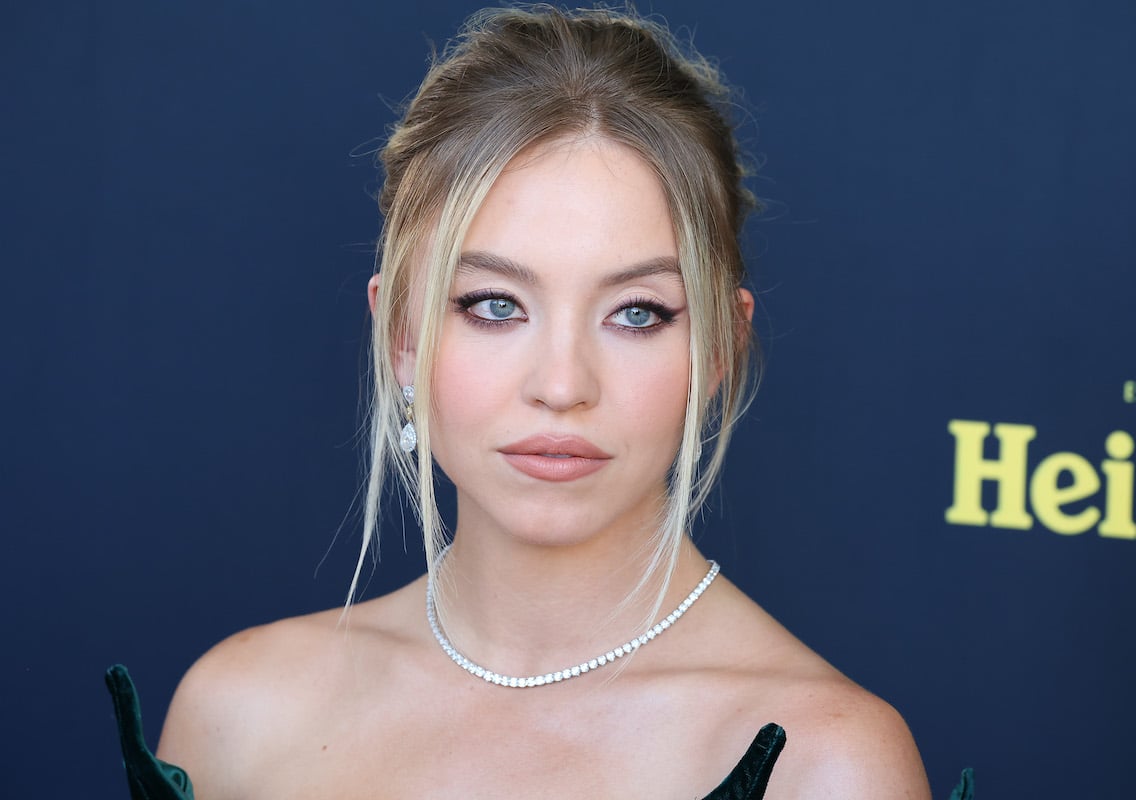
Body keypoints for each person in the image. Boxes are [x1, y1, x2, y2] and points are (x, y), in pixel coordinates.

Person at [142, 6, 933, 798]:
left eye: (637, 313)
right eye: (494, 305)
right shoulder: (238, 715)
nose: (561, 386)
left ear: (719, 347)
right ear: (402, 337)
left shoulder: (825, 764)